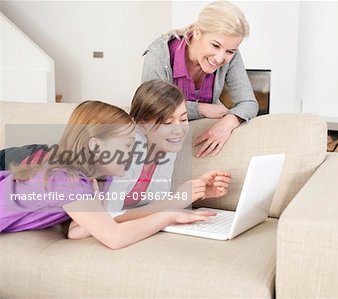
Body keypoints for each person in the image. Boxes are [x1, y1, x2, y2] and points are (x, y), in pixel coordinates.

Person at [0, 101, 217, 249]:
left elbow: (77, 231)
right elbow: (114, 237)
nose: (132, 153)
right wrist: (168, 216)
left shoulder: (97, 178)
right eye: (127, 145)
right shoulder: (66, 180)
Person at [142, 0, 258, 158]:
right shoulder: (158, 54)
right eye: (215, 45)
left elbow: (249, 103)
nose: (219, 58)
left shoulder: (232, 57)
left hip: (200, 146)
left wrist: (230, 121)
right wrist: (201, 109)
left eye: (230, 51)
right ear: (197, 32)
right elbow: (152, 107)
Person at [106, 79, 232, 219]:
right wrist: (177, 200)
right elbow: (110, 216)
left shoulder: (166, 149)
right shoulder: (126, 150)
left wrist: (198, 191)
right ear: (142, 125)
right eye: (167, 122)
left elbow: (157, 205)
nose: (179, 130)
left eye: (183, 120)